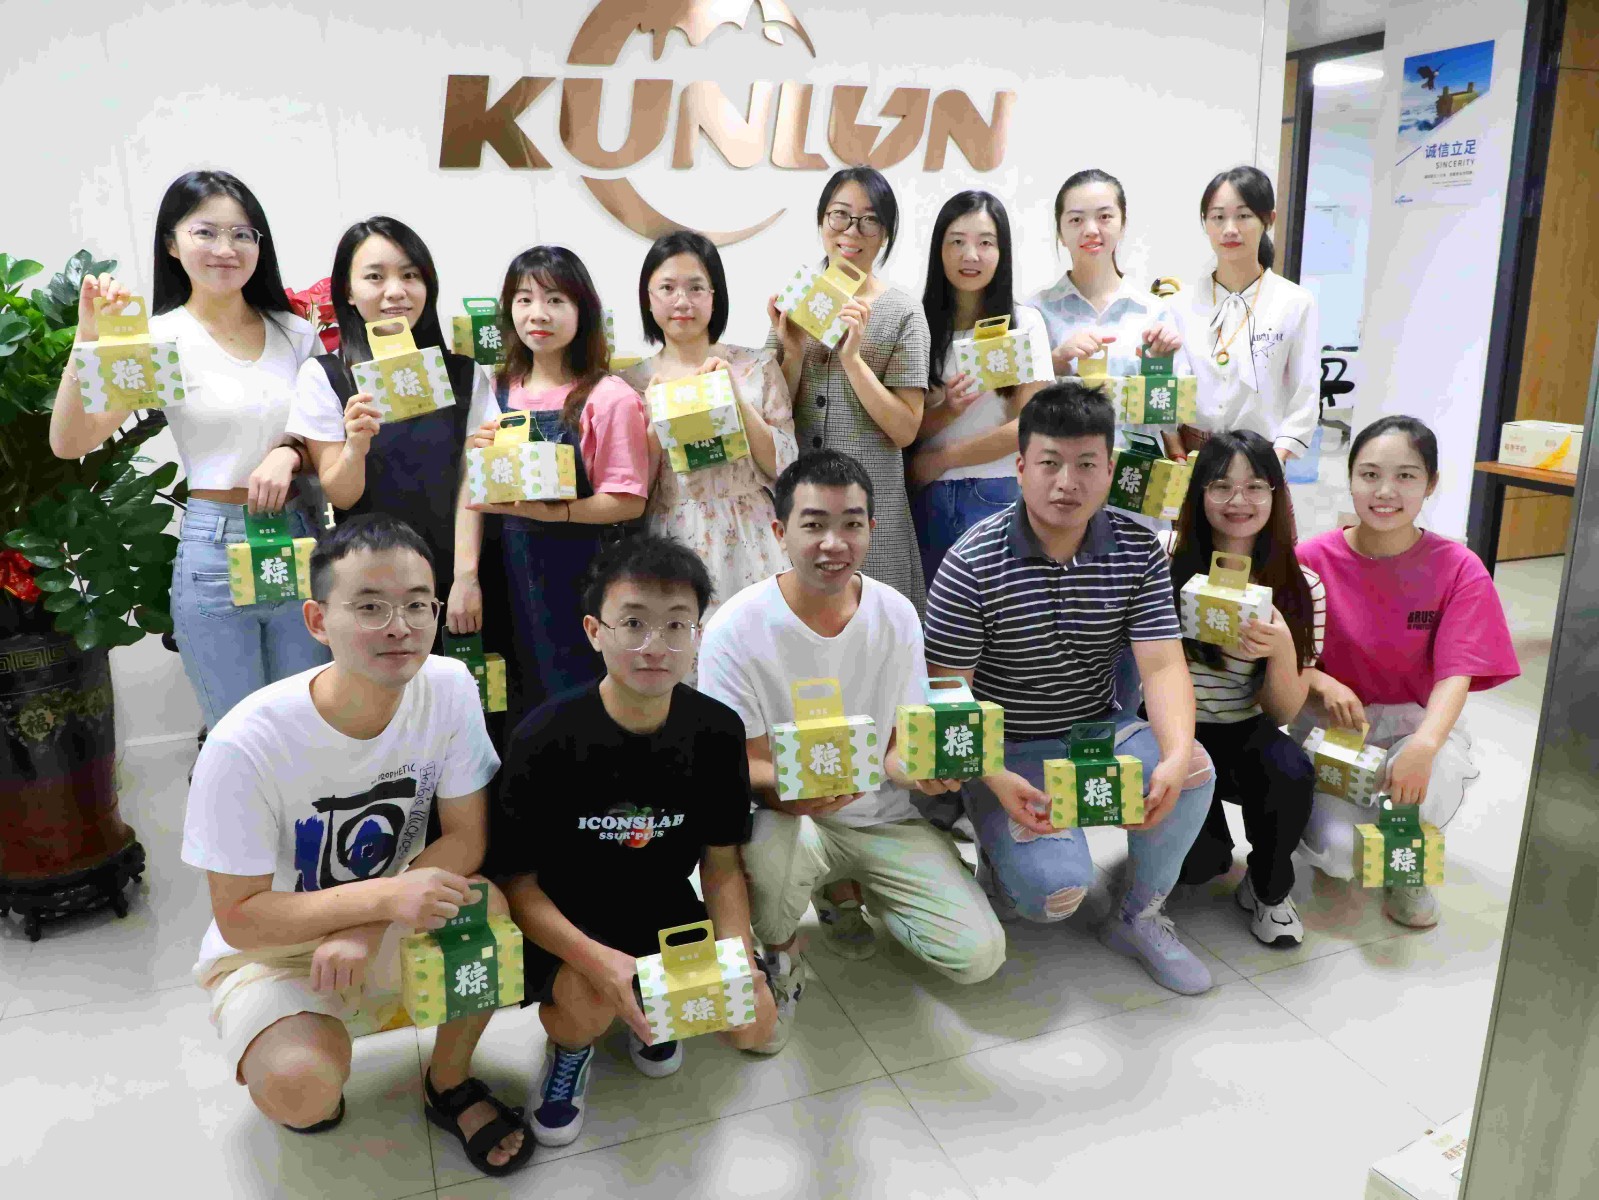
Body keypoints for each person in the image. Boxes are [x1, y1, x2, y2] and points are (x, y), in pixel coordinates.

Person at [179, 514, 532, 1175]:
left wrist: (370, 923)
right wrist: (381, 904)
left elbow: (466, 838)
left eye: (417, 605)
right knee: (300, 1089)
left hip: (387, 915)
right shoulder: (245, 742)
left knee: (484, 909)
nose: (399, 626)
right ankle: (312, 1045)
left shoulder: (449, 686)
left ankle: (448, 1082)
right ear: (317, 621)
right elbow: (240, 917)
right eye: (370, 607)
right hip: (276, 949)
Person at [698, 450, 1007, 1047]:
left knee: (979, 956)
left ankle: (859, 889)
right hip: (787, 819)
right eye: (813, 524)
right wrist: (795, 787)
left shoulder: (896, 613)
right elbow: (741, 763)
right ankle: (782, 947)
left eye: (851, 524)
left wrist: (919, 770)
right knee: (774, 855)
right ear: (779, 531)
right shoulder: (736, 628)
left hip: (881, 817)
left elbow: (897, 747)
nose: (833, 543)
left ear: (871, 529)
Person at [924, 382, 1217, 995]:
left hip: (1096, 733)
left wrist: (1169, 756)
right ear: (1021, 467)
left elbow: (1164, 667)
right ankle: (1000, 862)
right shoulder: (971, 562)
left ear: (1110, 470)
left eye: (1086, 464)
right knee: (1053, 895)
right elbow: (948, 697)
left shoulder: (1138, 550)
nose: (1067, 483)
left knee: (1192, 768)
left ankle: (1137, 915)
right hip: (1010, 751)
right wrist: (994, 778)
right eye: (1050, 463)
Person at [490, 535, 779, 1149]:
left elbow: (721, 865)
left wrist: (740, 961)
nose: (655, 646)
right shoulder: (543, 737)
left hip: (665, 907)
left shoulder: (717, 731)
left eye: (676, 625)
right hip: (568, 916)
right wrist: (602, 963)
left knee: (754, 1025)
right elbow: (517, 884)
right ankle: (571, 1048)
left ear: (697, 635)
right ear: (595, 631)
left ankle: (653, 1011)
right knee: (589, 1003)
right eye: (633, 623)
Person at [50, 169, 328, 728]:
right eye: (206, 232)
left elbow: (324, 434)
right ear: (172, 245)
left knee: (310, 724)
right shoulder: (159, 340)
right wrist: (88, 337)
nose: (226, 249)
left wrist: (290, 452)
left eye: (242, 234)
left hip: (297, 536)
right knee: (238, 733)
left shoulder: (296, 334)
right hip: (214, 548)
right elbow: (71, 441)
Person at [1294, 416, 1519, 929]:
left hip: (1415, 720)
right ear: (1351, 477)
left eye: (1406, 476)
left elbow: (1457, 671)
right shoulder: (1309, 559)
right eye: (1370, 474)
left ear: (1431, 483)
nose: (1385, 492)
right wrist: (1323, 682)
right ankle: (1345, 838)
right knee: (1338, 853)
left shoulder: (1458, 567)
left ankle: (1405, 867)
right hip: (1333, 727)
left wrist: (1425, 744)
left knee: (1426, 779)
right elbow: (1287, 659)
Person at [287, 216, 506, 654]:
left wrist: (465, 576)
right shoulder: (325, 376)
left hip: (458, 575)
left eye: (410, 275)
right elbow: (341, 495)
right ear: (348, 292)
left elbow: (475, 481)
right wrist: (356, 445)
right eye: (375, 277)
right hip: (369, 583)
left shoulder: (463, 374)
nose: (396, 291)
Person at [466, 245, 649, 719]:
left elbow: (628, 501)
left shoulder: (609, 397)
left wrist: (556, 512)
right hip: (506, 571)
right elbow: (471, 491)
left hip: (582, 576)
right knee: (518, 702)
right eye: (524, 299)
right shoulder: (494, 389)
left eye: (555, 300)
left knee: (583, 702)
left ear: (582, 311)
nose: (538, 314)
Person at [1164, 431, 1324, 946]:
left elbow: (1283, 711)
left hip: (1244, 727)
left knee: (1290, 771)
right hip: (1172, 726)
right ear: (1199, 493)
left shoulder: (1303, 585)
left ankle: (1268, 889)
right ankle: (1188, 847)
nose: (1238, 501)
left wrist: (1281, 647)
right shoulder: (1164, 561)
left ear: (1276, 494)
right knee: (1199, 865)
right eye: (1220, 486)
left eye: (1255, 486)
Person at [766, 167, 931, 612]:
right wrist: (793, 352)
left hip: (871, 513)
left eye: (869, 220)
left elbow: (905, 429)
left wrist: (852, 359)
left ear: (886, 233)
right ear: (822, 221)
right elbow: (771, 416)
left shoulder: (902, 312)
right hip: (801, 510)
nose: (851, 231)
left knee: (878, 625)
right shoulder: (797, 297)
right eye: (839, 215)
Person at [618, 230, 795, 634]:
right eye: (667, 288)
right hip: (673, 537)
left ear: (715, 296)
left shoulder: (755, 367)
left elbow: (785, 465)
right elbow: (632, 492)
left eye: (696, 287)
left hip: (752, 531)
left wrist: (736, 398)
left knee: (758, 647)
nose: (682, 301)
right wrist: (655, 423)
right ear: (648, 298)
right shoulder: (630, 384)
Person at [909, 190, 1049, 585]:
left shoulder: (1024, 323)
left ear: (1002, 252)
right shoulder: (916, 324)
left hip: (998, 492)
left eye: (985, 243)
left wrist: (943, 458)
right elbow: (903, 425)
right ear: (939, 249)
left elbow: (1030, 426)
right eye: (957, 241)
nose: (970, 255)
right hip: (927, 498)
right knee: (931, 616)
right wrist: (945, 412)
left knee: (1002, 616)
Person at [1169, 166, 1320, 467]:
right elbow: (1168, 390)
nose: (1230, 229)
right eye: (1218, 217)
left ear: (1269, 220)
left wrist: (1275, 461)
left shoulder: (1295, 303)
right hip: (1192, 457)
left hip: (1262, 458)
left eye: (1243, 215)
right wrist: (1176, 453)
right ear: (1205, 222)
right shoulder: (1178, 304)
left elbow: (1305, 395)